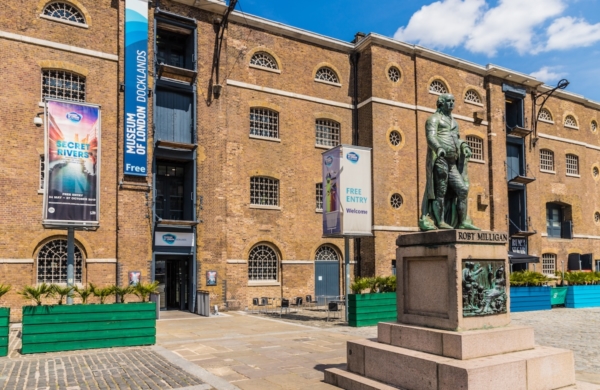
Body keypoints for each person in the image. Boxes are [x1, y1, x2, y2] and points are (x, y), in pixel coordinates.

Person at [419, 94, 480, 231]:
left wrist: (464, 145)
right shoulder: (433, 119)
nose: (452, 103)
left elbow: (456, 139)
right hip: (440, 160)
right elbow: (430, 136)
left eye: (453, 101)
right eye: (449, 101)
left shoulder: (454, 122)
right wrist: (438, 148)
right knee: (440, 191)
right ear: (441, 103)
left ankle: (463, 222)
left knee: (463, 190)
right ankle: (440, 222)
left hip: (452, 163)